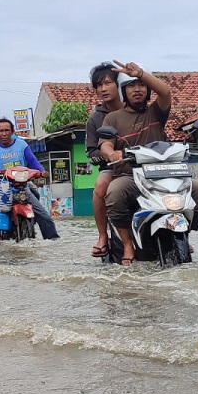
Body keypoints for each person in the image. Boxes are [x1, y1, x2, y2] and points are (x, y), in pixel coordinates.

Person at [99, 60, 198, 265]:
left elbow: (166, 92)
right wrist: (112, 153)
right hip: (131, 176)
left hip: (166, 174)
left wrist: (141, 73)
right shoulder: (113, 118)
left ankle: (185, 236)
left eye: (141, 85)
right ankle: (127, 244)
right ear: (124, 91)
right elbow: (105, 143)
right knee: (114, 193)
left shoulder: (156, 112)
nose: (137, 89)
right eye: (131, 85)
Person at [0, 118, 59, 240]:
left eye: (7, 130)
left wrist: (41, 171)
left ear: (12, 131)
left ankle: (53, 239)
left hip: (23, 187)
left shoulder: (22, 145)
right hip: (4, 188)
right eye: (1, 131)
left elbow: (33, 161)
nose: (4, 133)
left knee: (44, 215)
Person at [86, 61, 125, 258]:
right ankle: (102, 236)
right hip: (111, 169)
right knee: (100, 185)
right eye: (99, 85)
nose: (103, 88)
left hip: (142, 166)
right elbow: (91, 152)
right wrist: (109, 154)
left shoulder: (135, 108)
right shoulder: (95, 119)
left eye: (108, 83)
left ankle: (179, 235)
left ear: (119, 84)